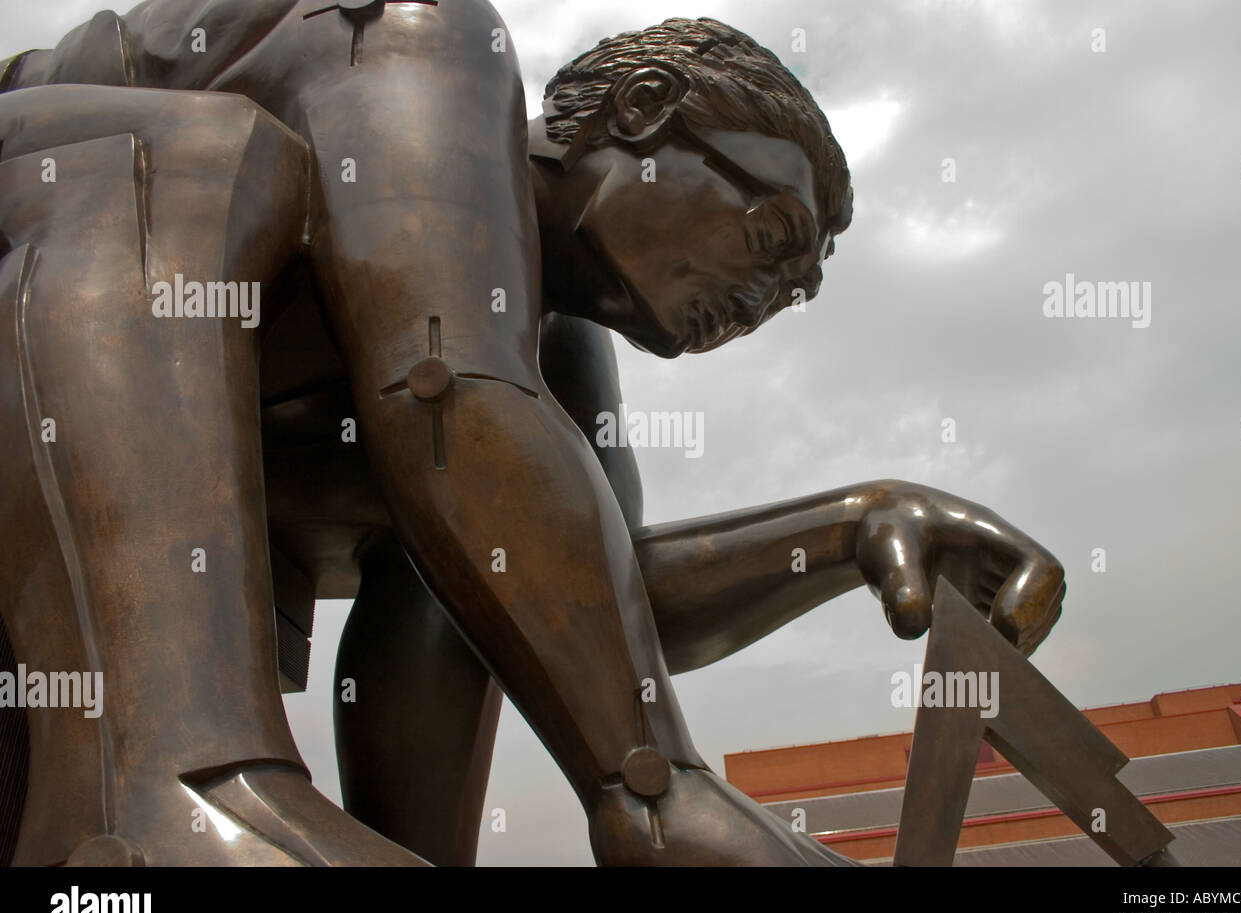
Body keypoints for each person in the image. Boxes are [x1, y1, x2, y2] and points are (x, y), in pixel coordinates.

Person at [0, 4, 1063, 865]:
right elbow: (445, 391)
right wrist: (653, 784)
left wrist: (846, 526)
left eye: (793, 294)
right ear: (644, 108)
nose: (764, 300)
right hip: (39, 217)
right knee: (199, 163)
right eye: (772, 235)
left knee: (493, 529)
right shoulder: (424, 35)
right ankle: (160, 797)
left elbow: (595, 600)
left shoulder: (544, 353)